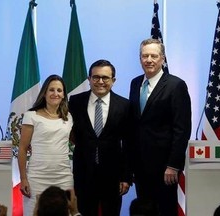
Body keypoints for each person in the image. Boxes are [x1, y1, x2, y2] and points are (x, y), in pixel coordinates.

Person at [129, 38, 192, 216]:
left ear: (162, 59)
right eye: (144, 56)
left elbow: (182, 129)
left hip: (165, 167)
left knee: (164, 210)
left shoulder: (176, 85)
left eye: (153, 56)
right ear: (140, 58)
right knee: (144, 210)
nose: (149, 59)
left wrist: (173, 165)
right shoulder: (135, 83)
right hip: (140, 166)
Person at [69, 59, 132, 216]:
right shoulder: (75, 102)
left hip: (113, 176)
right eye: (96, 77)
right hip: (83, 174)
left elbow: (129, 144)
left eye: (105, 78)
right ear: (89, 79)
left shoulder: (124, 105)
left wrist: (126, 177)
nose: (100, 82)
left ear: (113, 80)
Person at [18, 75, 74, 216]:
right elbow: (23, 149)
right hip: (36, 178)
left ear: (63, 94)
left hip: (63, 176)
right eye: (51, 90)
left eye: (59, 90)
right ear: (44, 93)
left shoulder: (69, 117)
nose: (55, 93)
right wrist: (23, 178)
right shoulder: (31, 115)